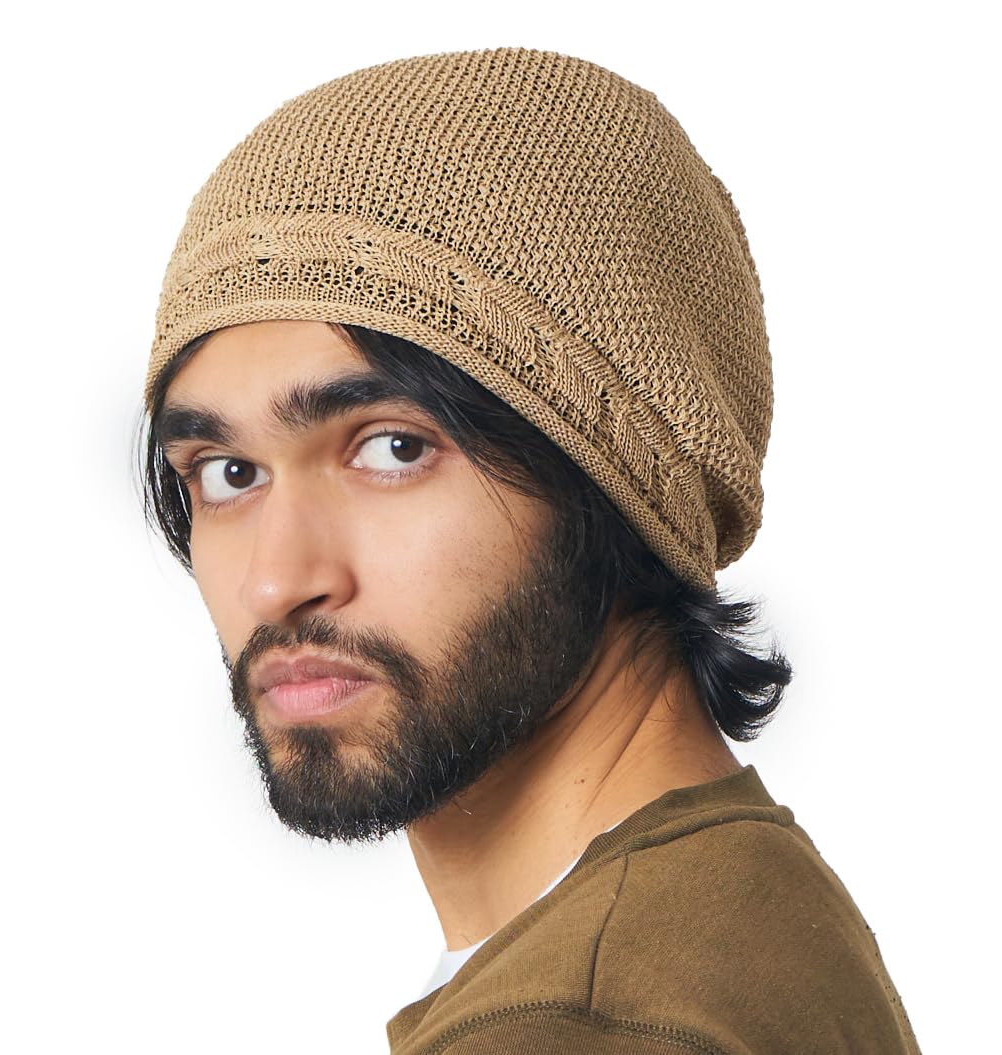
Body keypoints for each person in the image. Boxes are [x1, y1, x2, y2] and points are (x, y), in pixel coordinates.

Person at [141, 47, 921, 1054]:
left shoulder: (589, 1021)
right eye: (226, 471)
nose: (274, 580)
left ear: (612, 477)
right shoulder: (736, 917)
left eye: (392, 448)